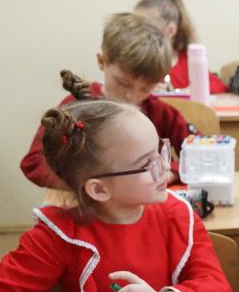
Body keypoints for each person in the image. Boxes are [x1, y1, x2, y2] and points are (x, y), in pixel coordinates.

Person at [0, 100, 231, 292]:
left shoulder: (177, 214)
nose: (165, 167)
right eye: (147, 163)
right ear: (99, 189)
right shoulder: (60, 233)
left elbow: (214, 283)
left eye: (161, 152)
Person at [20, 13, 192, 189]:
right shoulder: (77, 107)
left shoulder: (159, 111)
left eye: (145, 89)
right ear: (102, 61)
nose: (131, 96)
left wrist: (170, 172)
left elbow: (197, 153)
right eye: (123, 83)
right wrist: (82, 183)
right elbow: (33, 162)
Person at [134, 0, 227, 93]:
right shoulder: (135, 60)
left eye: (144, 26)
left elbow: (219, 86)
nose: (135, 32)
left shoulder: (187, 60)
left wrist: (189, 90)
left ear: (170, 31)